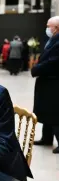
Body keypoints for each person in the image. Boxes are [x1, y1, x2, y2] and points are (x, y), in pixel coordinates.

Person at [32, 16, 59, 154]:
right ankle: (47, 138)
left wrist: (37, 69)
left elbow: (54, 61)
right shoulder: (52, 39)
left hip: (54, 82)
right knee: (47, 112)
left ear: (56, 27)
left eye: (49, 26)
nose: (47, 29)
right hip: (47, 81)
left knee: (55, 113)